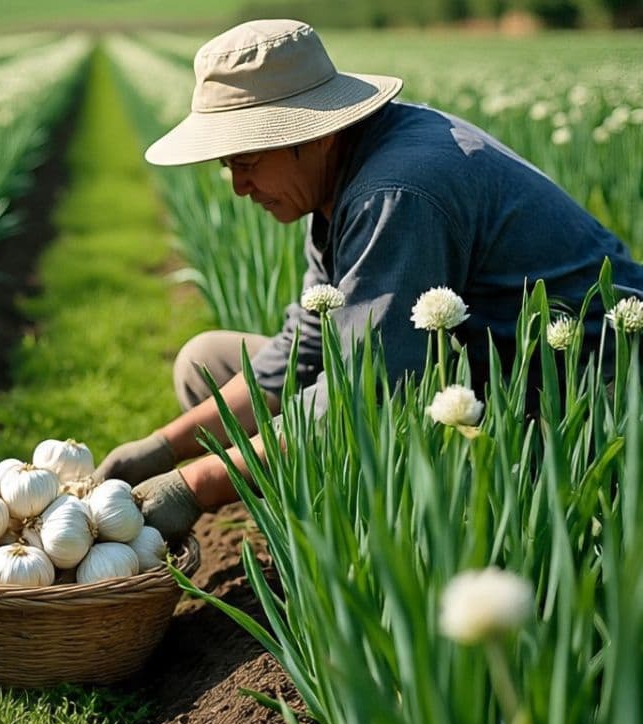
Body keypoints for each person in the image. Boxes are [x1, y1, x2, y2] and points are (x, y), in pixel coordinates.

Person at [95, 19, 643, 537]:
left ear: (311, 135)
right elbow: (305, 346)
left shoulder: (396, 192)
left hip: (581, 407)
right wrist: (163, 448)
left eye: (247, 160)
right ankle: (322, 529)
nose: (239, 186)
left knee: (356, 420)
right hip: (471, 377)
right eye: (228, 166)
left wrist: (196, 485)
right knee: (207, 362)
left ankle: (383, 552)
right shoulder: (344, 176)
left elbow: (364, 391)